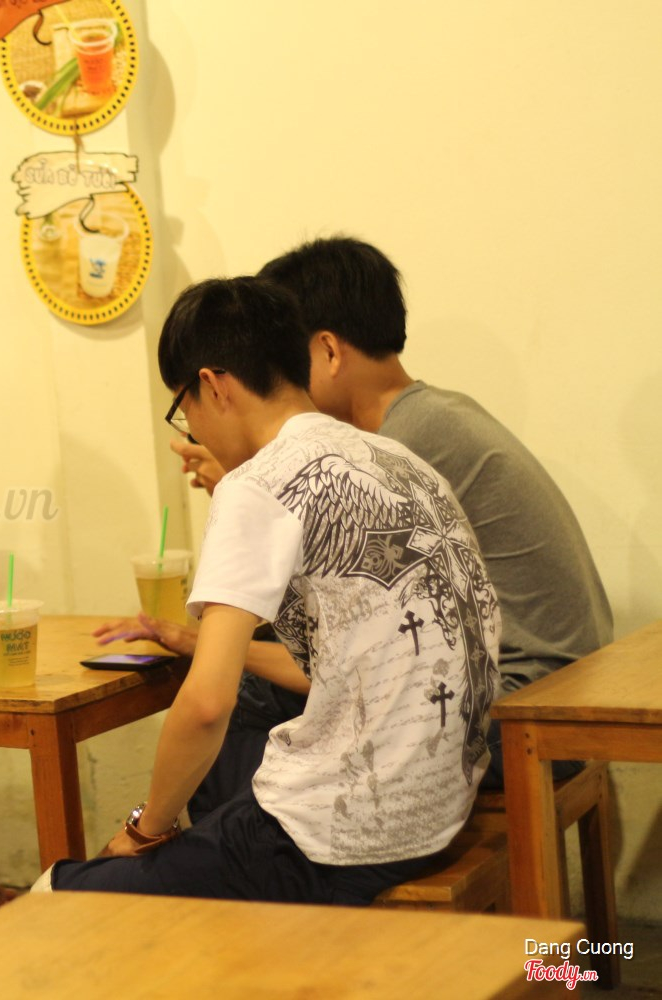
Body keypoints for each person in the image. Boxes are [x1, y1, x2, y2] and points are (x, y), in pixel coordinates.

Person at [60, 276, 501, 904]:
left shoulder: (258, 483)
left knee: (62, 895)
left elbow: (205, 705)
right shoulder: (398, 461)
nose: (192, 429)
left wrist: (144, 830)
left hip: (343, 835)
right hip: (440, 805)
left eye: (183, 408)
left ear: (213, 385)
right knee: (221, 803)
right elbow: (347, 662)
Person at [146, 237, 611, 806]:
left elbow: (338, 631)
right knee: (258, 692)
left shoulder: (398, 444)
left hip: (522, 701)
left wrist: (248, 483)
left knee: (241, 711)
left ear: (327, 351)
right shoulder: (428, 417)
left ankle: (254, 850)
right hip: (553, 680)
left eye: (287, 363)